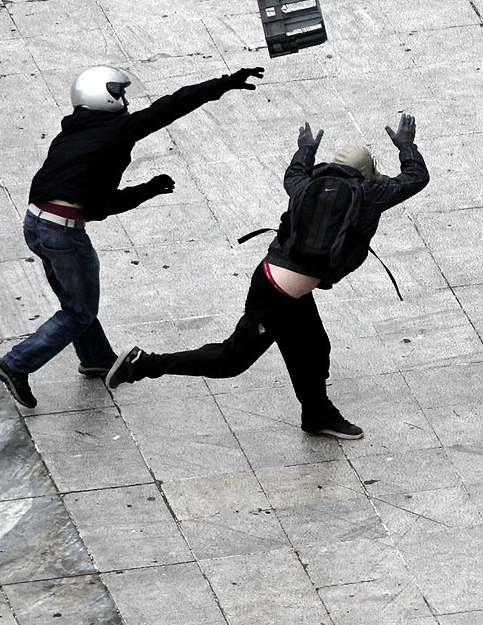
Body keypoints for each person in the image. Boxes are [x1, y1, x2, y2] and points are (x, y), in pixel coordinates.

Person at [105, 115, 429, 440]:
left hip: (276, 279)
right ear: (367, 173)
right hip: (277, 297)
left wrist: (305, 149)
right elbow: (416, 177)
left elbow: (294, 171)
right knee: (230, 361)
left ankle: (317, 415)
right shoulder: (370, 194)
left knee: (315, 348)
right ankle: (141, 363)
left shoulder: (304, 185)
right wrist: (406, 145)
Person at [0, 65, 265, 409]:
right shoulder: (117, 131)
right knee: (78, 311)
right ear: (103, 96)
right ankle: (16, 364)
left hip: (37, 224)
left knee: (77, 303)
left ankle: (96, 357)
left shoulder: (72, 134)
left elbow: (98, 205)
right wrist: (224, 83)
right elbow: (170, 107)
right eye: (119, 93)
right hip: (63, 232)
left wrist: (146, 190)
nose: (125, 100)